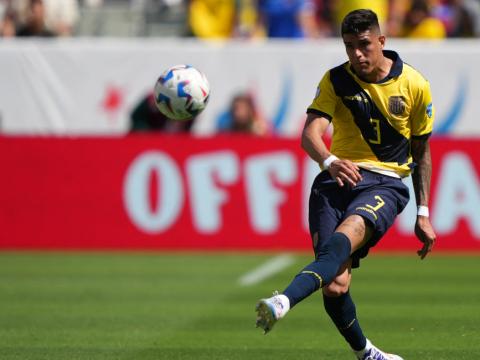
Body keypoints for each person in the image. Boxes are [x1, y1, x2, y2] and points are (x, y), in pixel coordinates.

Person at [255, 9, 436, 360]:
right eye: (349, 46)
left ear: (382, 41)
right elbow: (310, 135)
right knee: (336, 286)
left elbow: (421, 152)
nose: (356, 54)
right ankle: (367, 353)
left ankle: (283, 300)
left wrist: (423, 212)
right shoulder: (336, 80)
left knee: (343, 239)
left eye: (364, 45)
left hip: (385, 184)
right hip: (335, 180)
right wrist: (329, 161)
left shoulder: (414, 84)